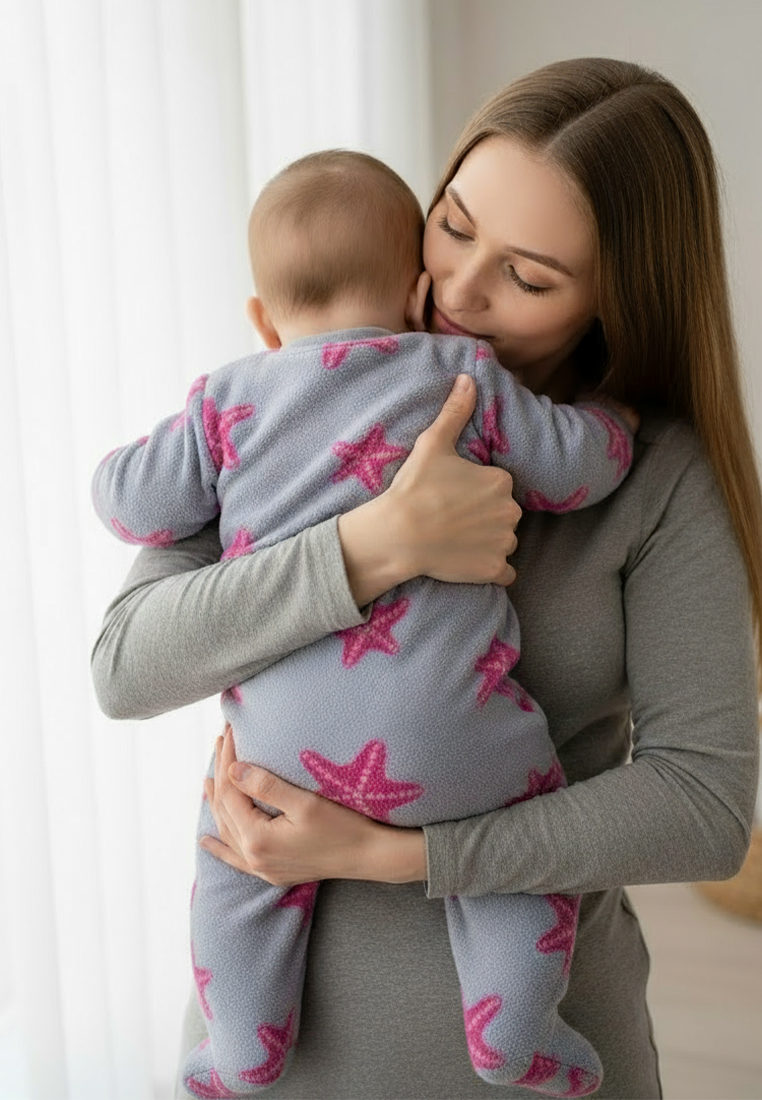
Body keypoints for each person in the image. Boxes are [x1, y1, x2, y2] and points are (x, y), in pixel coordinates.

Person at [90, 58, 761, 1100]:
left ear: (611, 298)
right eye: (453, 225)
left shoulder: (652, 471)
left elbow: (703, 807)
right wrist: (373, 545)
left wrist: (399, 852)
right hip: (281, 1071)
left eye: (529, 277)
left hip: (547, 1060)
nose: (456, 290)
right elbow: (126, 667)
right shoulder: (291, 399)